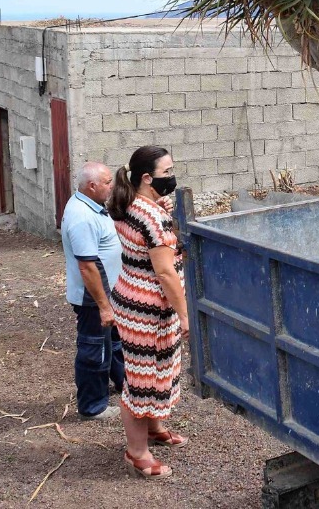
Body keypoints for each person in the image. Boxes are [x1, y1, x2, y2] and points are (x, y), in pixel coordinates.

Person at [108, 145, 189, 479]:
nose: (171, 176)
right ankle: (136, 452)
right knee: (141, 381)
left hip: (130, 298)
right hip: (148, 312)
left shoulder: (127, 202)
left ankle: (154, 427)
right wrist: (185, 315)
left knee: (157, 372)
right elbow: (166, 273)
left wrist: (157, 206)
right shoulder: (152, 218)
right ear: (146, 177)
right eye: (167, 172)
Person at [60, 162, 125, 420]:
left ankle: (125, 383)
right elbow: (88, 267)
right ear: (92, 185)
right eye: (108, 182)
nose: (112, 186)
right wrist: (104, 306)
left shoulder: (91, 207)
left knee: (115, 343)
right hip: (94, 299)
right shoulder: (82, 217)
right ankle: (93, 406)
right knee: (95, 349)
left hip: (108, 295)